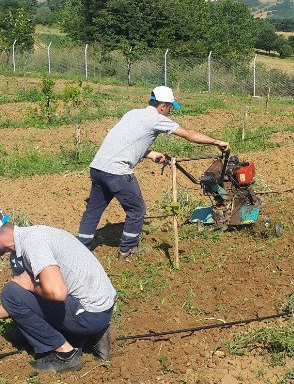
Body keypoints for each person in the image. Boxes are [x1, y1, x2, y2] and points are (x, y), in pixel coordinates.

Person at [77, 85, 230, 258]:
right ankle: (128, 249)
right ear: (162, 106)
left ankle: (81, 249)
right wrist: (217, 142)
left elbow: (125, 143)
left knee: (93, 210)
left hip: (98, 167)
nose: (170, 111)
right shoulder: (157, 118)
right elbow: (189, 134)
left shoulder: (132, 113)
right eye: (170, 107)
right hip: (117, 171)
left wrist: (150, 154)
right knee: (137, 209)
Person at [0, 204, 116, 373]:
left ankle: (67, 356)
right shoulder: (27, 240)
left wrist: (31, 286)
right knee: (21, 334)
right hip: (98, 308)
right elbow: (22, 299)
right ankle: (92, 335)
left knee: (10, 292)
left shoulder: (33, 245)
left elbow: (56, 293)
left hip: (89, 313)